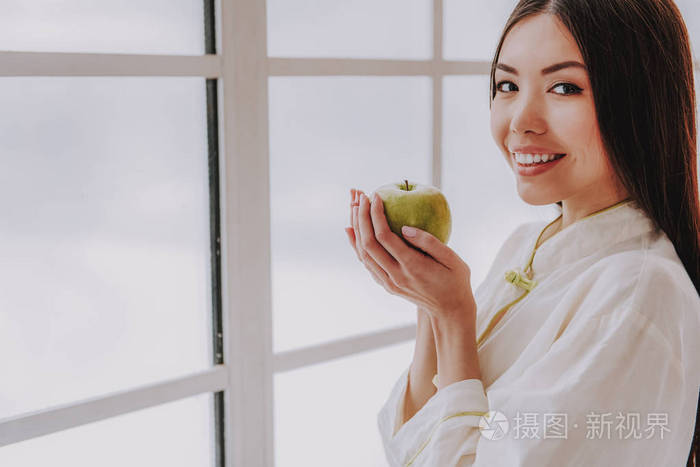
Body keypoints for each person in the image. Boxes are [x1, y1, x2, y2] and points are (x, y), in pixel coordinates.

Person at [343, 0, 700, 465]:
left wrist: (453, 319)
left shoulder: (638, 297)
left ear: (641, 99)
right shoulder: (526, 246)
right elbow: (410, 445)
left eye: (564, 87)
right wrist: (432, 306)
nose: (520, 121)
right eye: (507, 85)